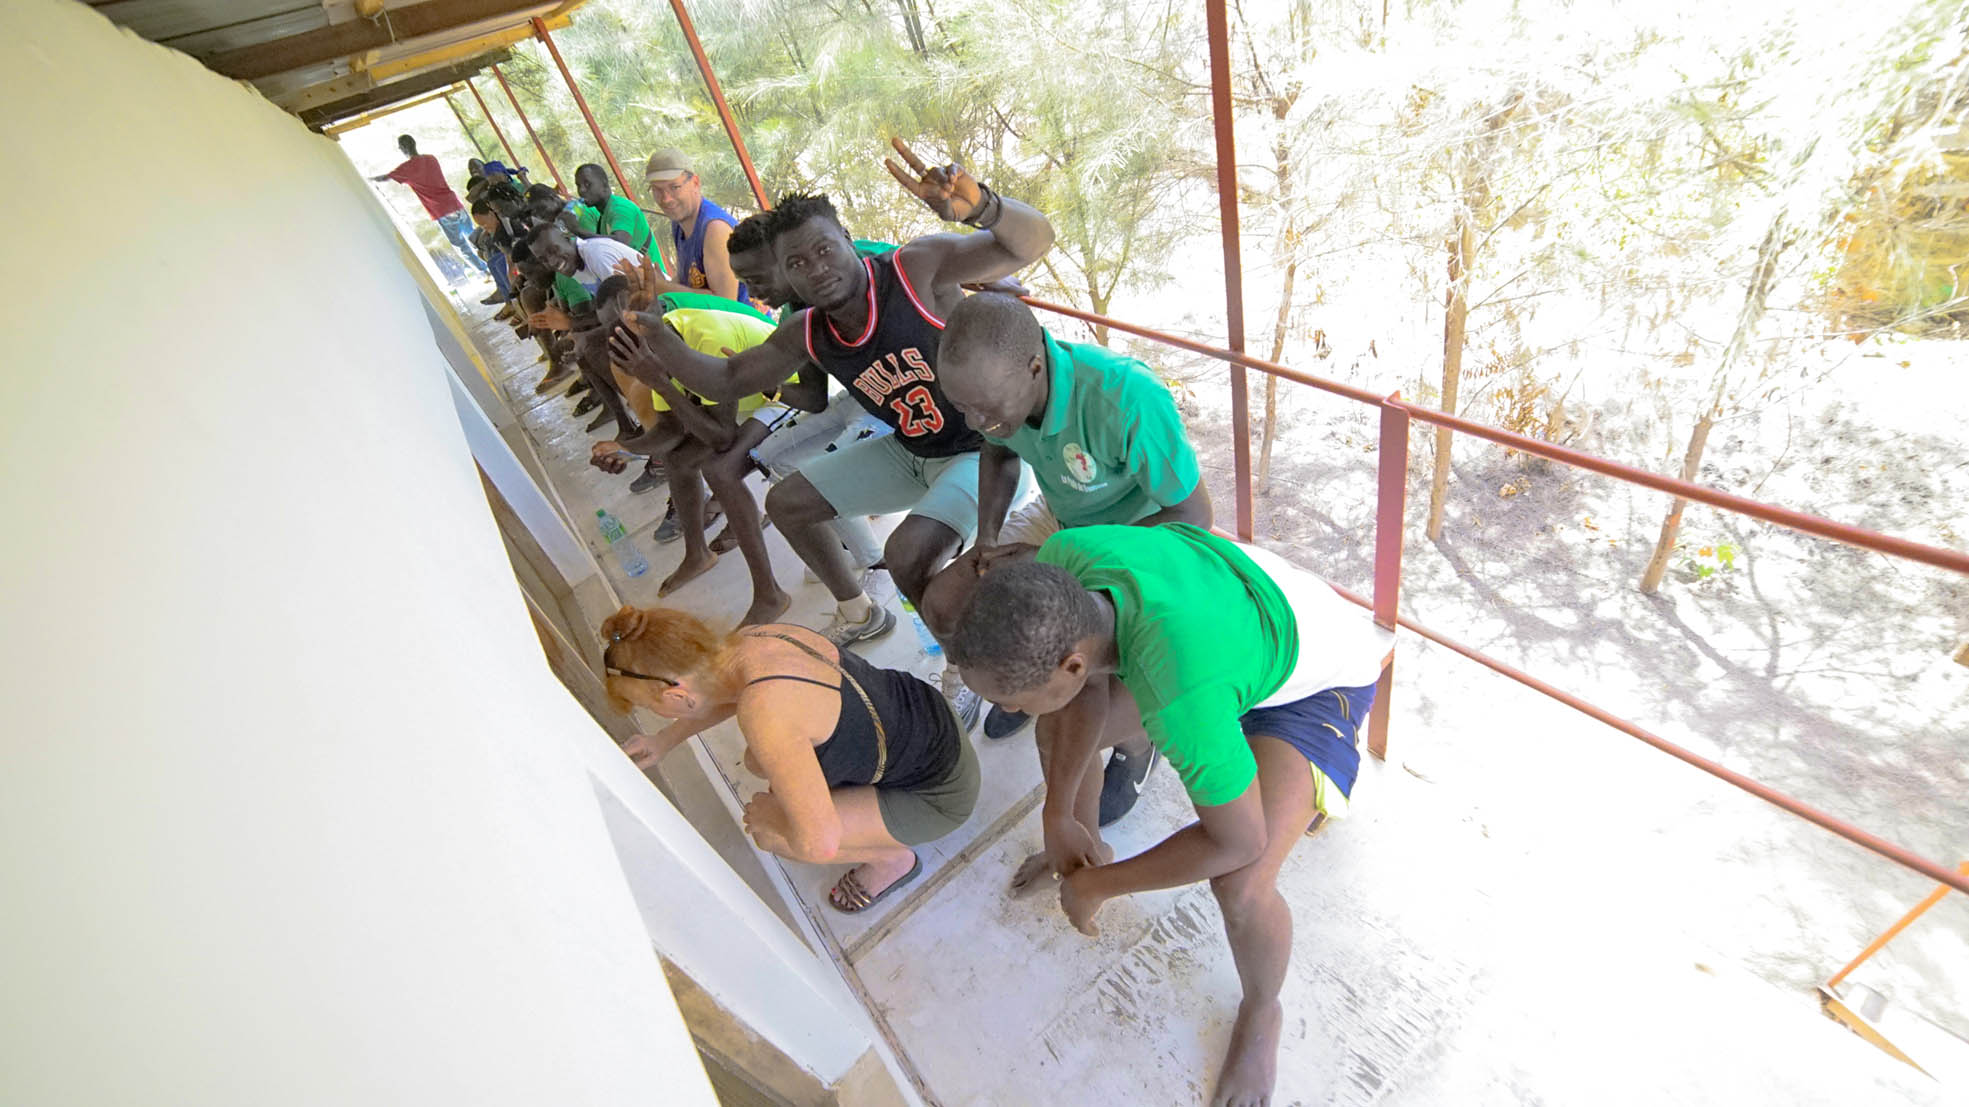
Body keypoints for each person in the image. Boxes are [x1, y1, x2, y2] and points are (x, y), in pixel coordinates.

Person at [948, 526, 1389, 1107]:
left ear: (1073, 664)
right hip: (1236, 608)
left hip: (1314, 679)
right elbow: (1082, 693)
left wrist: (1098, 888)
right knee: (1057, 733)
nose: (1005, 710)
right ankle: (1087, 845)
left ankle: (1263, 1009)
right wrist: (1058, 815)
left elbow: (1236, 841)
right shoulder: (1062, 562)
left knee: (1241, 884)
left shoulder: (1180, 696)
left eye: (1011, 698)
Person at [608, 140, 1052, 664]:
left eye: (824, 250)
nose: (816, 268)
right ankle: (862, 614)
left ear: (846, 239)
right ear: (785, 275)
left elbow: (1031, 243)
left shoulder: (915, 269)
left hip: (983, 453)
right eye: (796, 262)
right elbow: (727, 378)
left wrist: (984, 207)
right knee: (787, 503)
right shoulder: (806, 330)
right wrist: (657, 334)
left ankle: (966, 663)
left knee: (905, 554)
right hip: (909, 447)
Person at [919, 291, 1213, 821]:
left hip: (1142, 538)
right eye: (962, 406)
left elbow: (1193, 519)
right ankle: (1029, 690)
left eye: (985, 407)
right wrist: (987, 538)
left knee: (1097, 669)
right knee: (945, 603)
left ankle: (1138, 749)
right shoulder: (997, 402)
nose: (975, 420)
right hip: (1061, 520)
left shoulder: (1125, 398)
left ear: (1035, 368)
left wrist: (1059, 556)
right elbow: (998, 450)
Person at [603, 605, 978, 912]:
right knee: (759, 761)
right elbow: (722, 694)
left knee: (776, 833)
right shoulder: (753, 639)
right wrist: (664, 740)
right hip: (932, 719)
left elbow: (820, 845)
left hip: (941, 795)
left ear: (673, 696)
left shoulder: (766, 714)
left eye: (648, 706)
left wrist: (773, 822)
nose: (659, 715)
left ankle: (892, 862)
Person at [598, 277, 799, 623]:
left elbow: (720, 437)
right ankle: (697, 554)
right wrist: (624, 448)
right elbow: (671, 429)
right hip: (744, 400)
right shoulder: (662, 344)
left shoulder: (703, 340)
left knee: (720, 468)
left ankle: (770, 594)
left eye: (636, 368)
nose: (636, 377)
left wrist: (660, 381)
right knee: (678, 460)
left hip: (790, 391)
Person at [643, 147, 751, 302]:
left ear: (695, 182)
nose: (666, 199)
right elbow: (685, 280)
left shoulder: (715, 229)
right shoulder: (679, 222)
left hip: (743, 323)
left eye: (675, 187)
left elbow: (725, 304)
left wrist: (662, 288)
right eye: (657, 190)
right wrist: (656, 285)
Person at [370, 135, 486, 277]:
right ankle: (492, 261)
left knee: (461, 246)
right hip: (455, 203)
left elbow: (385, 178)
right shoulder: (431, 159)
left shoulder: (406, 169)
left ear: (403, 148)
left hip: (442, 211)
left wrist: (367, 179)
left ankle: (484, 271)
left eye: (400, 147)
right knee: (474, 237)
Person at [573, 163, 659, 259]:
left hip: (653, 273)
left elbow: (620, 241)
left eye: (587, 184)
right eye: (578, 185)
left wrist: (576, 230)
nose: (581, 190)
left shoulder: (621, 208)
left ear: (604, 184)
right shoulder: (604, 214)